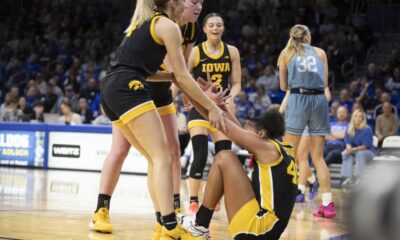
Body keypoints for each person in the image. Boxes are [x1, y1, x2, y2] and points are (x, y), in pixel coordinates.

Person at [95, 0, 225, 239]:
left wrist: (183, 82)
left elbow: (172, 75)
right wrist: (211, 107)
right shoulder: (168, 25)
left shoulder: (152, 22)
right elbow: (183, 76)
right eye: (192, 1)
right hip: (129, 87)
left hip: (114, 87)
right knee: (161, 156)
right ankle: (168, 224)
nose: (197, 6)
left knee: (157, 159)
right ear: (176, 2)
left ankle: (164, 223)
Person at [180, 109, 297, 240]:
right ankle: (200, 223)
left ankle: (199, 224)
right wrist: (222, 108)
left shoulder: (266, 147)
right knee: (229, 162)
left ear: (262, 134)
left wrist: (204, 101)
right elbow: (238, 130)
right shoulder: (279, 148)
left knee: (224, 157)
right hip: (269, 229)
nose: (244, 139)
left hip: (257, 230)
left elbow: (230, 128)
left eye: (248, 133)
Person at [185, 13, 241, 215]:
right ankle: (193, 200)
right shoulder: (196, 52)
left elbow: (236, 84)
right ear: (204, 29)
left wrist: (231, 97)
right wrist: (179, 97)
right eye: (211, 25)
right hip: (201, 107)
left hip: (221, 109)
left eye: (219, 24)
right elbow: (182, 77)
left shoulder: (232, 51)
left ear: (223, 28)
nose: (215, 28)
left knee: (223, 157)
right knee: (199, 154)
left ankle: (212, 198)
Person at [277, 24, 335, 218]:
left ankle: (281, 198)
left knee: (288, 153)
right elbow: (325, 83)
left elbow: (284, 86)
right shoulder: (321, 53)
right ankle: (327, 204)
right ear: (308, 36)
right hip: (319, 100)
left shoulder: (286, 54)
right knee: (318, 157)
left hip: (298, 98)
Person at [341, 109, 375, 187]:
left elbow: (365, 146)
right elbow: (347, 141)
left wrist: (352, 149)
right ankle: (346, 177)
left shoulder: (367, 129)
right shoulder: (349, 127)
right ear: (353, 117)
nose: (357, 118)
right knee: (345, 153)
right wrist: (348, 148)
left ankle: (359, 177)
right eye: (356, 116)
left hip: (368, 152)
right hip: (355, 151)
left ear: (363, 118)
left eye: (360, 116)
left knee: (360, 154)